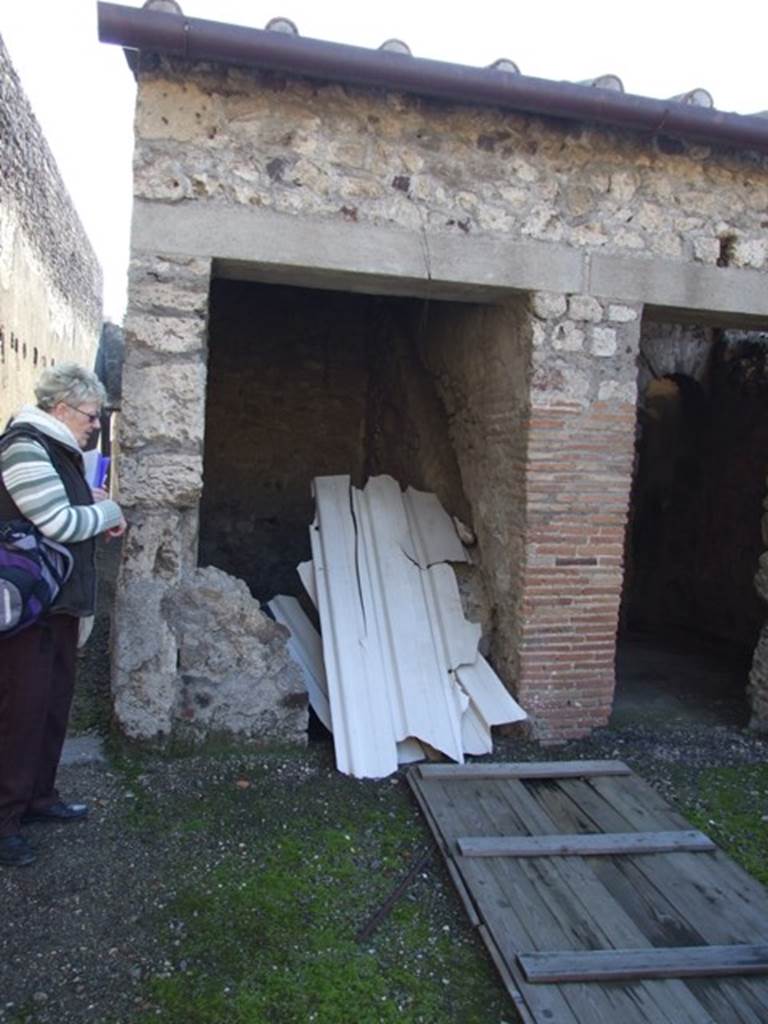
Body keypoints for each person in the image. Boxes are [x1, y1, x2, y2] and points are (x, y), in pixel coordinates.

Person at [0, 363, 126, 868]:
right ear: (61, 408)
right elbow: (56, 520)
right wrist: (109, 512)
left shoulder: (58, 449)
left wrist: (89, 500)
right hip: (30, 610)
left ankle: (38, 797)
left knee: (51, 707)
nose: (96, 424)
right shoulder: (25, 445)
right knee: (18, 713)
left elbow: (63, 506)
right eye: (91, 415)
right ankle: (4, 820)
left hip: (58, 605)